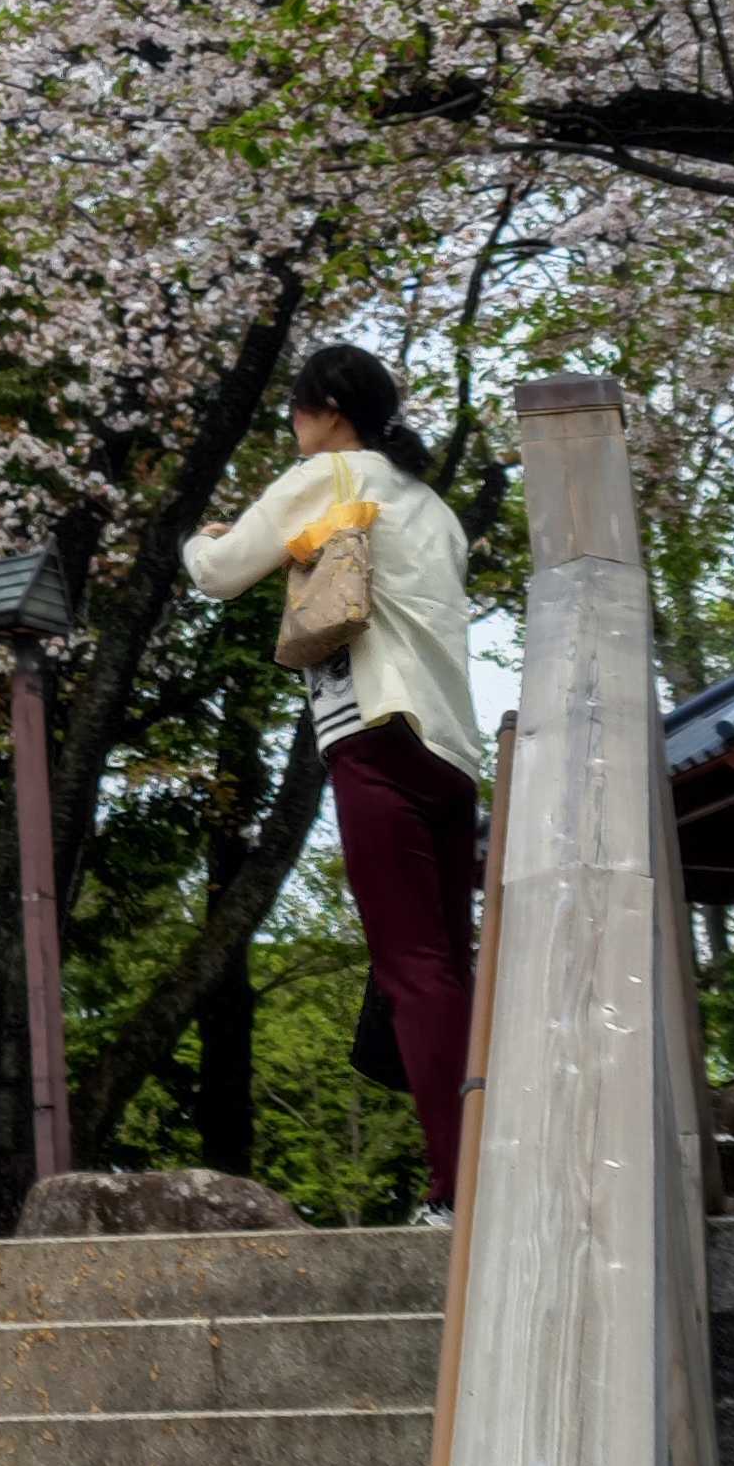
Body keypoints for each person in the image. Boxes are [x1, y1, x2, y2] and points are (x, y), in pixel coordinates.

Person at [184, 339, 486, 1213]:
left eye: (296, 409)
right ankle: (479, 1170)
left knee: (413, 970)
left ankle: (456, 1191)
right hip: (452, 759)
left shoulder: (331, 476)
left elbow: (219, 573)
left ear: (327, 408)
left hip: (375, 741)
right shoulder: (435, 509)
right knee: (450, 972)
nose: (292, 426)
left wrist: (192, 540)